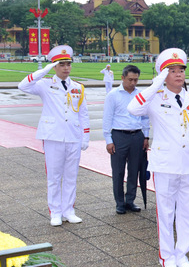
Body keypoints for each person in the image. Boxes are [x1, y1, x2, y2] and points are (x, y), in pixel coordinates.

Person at [128, 48, 189, 267]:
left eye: (181, 70)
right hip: (165, 164)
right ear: (163, 74)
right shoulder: (155, 98)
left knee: (185, 213)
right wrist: (156, 84)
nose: (178, 74)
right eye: (171, 71)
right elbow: (133, 109)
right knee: (165, 213)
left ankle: (182, 254)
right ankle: (167, 258)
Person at [18, 45, 89, 226]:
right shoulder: (45, 84)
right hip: (53, 136)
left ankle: (69, 210)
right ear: (55, 66)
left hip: (73, 136)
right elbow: (23, 85)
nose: (66, 67)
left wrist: (85, 136)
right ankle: (55, 212)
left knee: (71, 176)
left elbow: (83, 113)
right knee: (54, 177)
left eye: (68, 64)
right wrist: (45, 70)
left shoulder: (78, 87)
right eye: (61, 64)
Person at [102, 65, 149, 215]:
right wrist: (108, 140)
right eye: (130, 79)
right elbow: (107, 118)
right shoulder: (113, 95)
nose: (133, 83)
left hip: (137, 135)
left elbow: (145, 117)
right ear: (122, 78)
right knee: (118, 171)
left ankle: (130, 200)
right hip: (119, 136)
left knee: (134, 170)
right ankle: (120, 203)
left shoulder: (140, 95)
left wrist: (146, 136)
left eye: (136, 80)